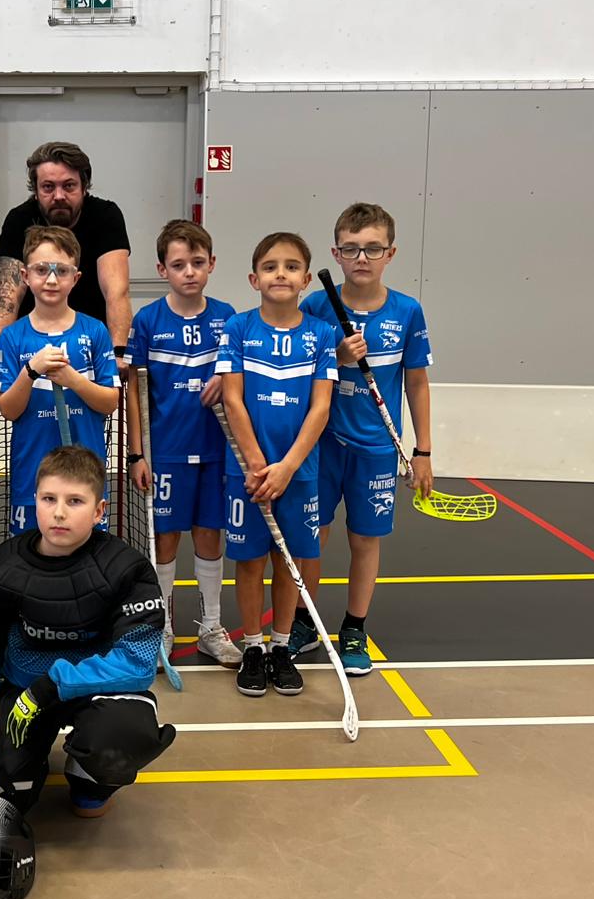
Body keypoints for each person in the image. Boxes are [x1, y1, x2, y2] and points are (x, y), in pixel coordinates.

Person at [0, 445, 178, 824]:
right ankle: (21, 762)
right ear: (34, 500)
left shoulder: (126, 569)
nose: (59, 512)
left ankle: (88, 781)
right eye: (49, 499)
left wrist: (52, 686)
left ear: (99, 510)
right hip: (22, 695)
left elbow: (136, 663)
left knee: (120, 738)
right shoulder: (0, 569)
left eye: (75, 501)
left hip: (94, 694)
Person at [297, 203, 434, 677]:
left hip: (375, 448)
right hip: (321, 444)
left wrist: (423, 451)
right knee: (312, 534)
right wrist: (334, 357)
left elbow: (417, 383)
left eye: (373, 249)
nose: (362, 258)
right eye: (351, 248)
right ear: (336, 253)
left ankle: (354, 627)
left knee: (365, 539)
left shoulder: (407, 311)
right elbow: (299, 372)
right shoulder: (316, 307)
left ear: (390, 253)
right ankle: (303, 620)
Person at [216, 232, 336, 700]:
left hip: (298, 473)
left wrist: (286, 466)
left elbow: (321, 408)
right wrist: (257, 462)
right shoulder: (238, 328)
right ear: (254, 279)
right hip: (246, 472)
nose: (280, 274)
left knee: (290, 562)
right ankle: (252, 646)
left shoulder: (321, 334)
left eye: (290, 267)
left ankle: (281, 647)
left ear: (306, 279)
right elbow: (232, 399)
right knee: (249, 562)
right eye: (269, 267)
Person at [126, 219, 239, 667]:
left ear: (212, 264)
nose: (189, 271)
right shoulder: (147, 320)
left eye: (197, 262)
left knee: (210, 535)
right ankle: (163, 627)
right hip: (167, 451)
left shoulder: (228, 316)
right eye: (178, 264)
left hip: (216, 448)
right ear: (162, 270)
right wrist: (137, 453)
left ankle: (211, 627)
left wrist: (226, 379)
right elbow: (134, 392)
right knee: (166, 538)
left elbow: (239, 376)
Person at [0, 225, 119, 535]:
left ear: (76, 278)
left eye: (61, 270)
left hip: (86, 475)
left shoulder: (95, 331)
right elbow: (8, 409)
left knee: (88, 555)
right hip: (31, 474)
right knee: (29, 553)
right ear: (25, 275)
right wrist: (30, 371)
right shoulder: (12, 337)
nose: (51, 279)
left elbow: (110, 402)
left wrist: (72, 379)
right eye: (41, 270)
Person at [0, 141, 132, 355]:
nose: (59, 196)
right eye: (48, 187)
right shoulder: (19, 220)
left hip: (92, 341)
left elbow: (116, 292)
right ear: (36, 191)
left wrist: (119, 352)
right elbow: (7, 300)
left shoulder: (105, 216)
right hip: (31, 342)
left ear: (84, 187)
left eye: (69, 186)